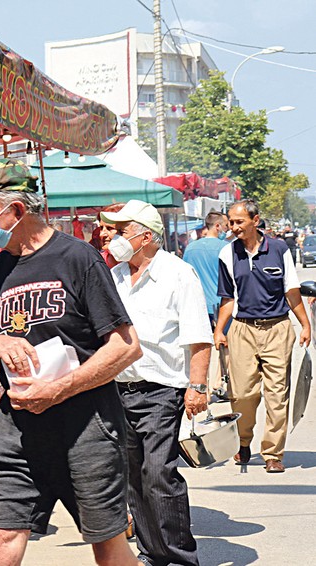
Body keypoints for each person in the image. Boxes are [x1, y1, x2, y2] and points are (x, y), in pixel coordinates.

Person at [0, 158, 142, 566]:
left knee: (108, 546)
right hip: (14, 430)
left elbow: (125, 346)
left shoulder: (78, 258)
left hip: (86, 428)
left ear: (17, 209)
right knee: (0, 539)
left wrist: (57, 389)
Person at [102, 200, 211, 566]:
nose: (113, 237)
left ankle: (179, 557)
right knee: (133, 475)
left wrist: (198, 386)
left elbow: (199, 337)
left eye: (121, 231)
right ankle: (152, 552)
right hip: (119, 389)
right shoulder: (115, 276)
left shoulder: (178, 274)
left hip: (161, 391)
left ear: (145, 236)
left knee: (159, 474)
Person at [216, 200, 311, 473]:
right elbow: (227, 298)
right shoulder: (227, 253)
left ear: (255, 220)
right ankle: (244, 441)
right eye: (231, 222)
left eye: (239, 222)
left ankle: (273, 453)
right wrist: (219, 330)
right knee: (242, 394)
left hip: (277, 329)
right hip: (242, 330)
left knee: (277, 394)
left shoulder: (279, 249)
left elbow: (291, 291)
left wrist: (305, 324)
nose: (234, 227)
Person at [183, 211, 230, 324]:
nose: (227, 229)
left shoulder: (190, 248)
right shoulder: (226, 248)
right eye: (225, 226)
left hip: (196, 306)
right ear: (217, 226)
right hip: (221, 306)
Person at [98, 203, 126, 269]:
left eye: (109, 228)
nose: (101, 234)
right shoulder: (97, 261)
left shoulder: (141, 265)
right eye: (101, 228)